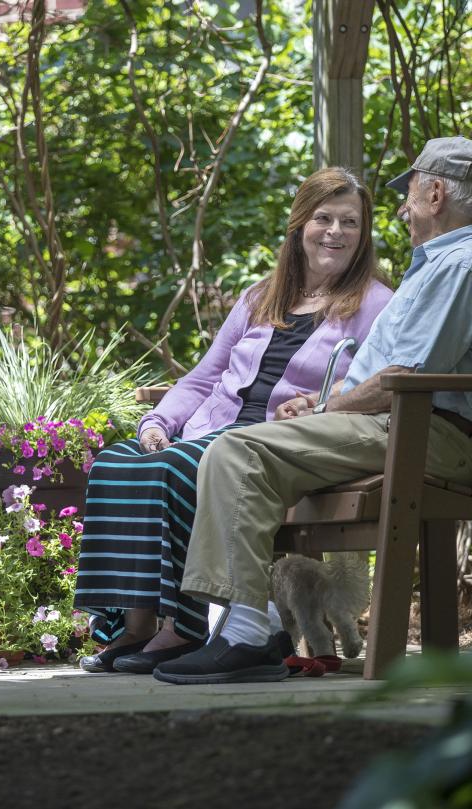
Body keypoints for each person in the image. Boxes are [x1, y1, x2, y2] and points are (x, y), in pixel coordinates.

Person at [153, 136, 472, 685]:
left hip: (427, 431)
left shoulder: (460, 264)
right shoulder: (438, 265)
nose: (403, 207)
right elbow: (387, 370)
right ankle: (245, 625)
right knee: (244, 452)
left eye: (411, 194)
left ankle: (246, 630)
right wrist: (320, 404)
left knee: (238, 450)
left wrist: (329, 405)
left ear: (437, 192)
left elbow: (408, 377)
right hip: (391, 423)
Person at [74, 166, 393, 674]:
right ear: (299, 226)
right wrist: (158, 423)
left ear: (364, 234)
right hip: (209, 428)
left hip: (271, 439)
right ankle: (134, 628)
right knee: (116, 462)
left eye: (350, 222)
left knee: (175, 469)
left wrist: (317, 399)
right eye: (324, 219)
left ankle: (182, 627)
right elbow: (204, 378)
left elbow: (369, 380)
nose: (336, 232)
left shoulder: (375, 303)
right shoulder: (260, 297)